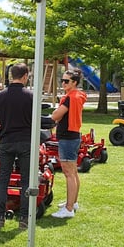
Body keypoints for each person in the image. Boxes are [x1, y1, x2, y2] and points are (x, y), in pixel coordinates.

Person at [0, 63, 33, 230]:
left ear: (11, 75)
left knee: (3, 180)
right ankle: (24, 218)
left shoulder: (1, 96)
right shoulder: (30, 96)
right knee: (26, 181)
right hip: (25, 141)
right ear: (25, 76)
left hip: (6, 140)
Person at [50, 69, 87, 219]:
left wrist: (54, 113)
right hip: (73, 136)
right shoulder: (77, 96)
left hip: (68, 137)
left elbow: (56, 116)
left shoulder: (70, 98)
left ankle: (69, 208)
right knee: (73, 172)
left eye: (66, 81)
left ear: (75, 83)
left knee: (69, 173)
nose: (63, 83)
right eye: (62, 80)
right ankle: (73, 202)